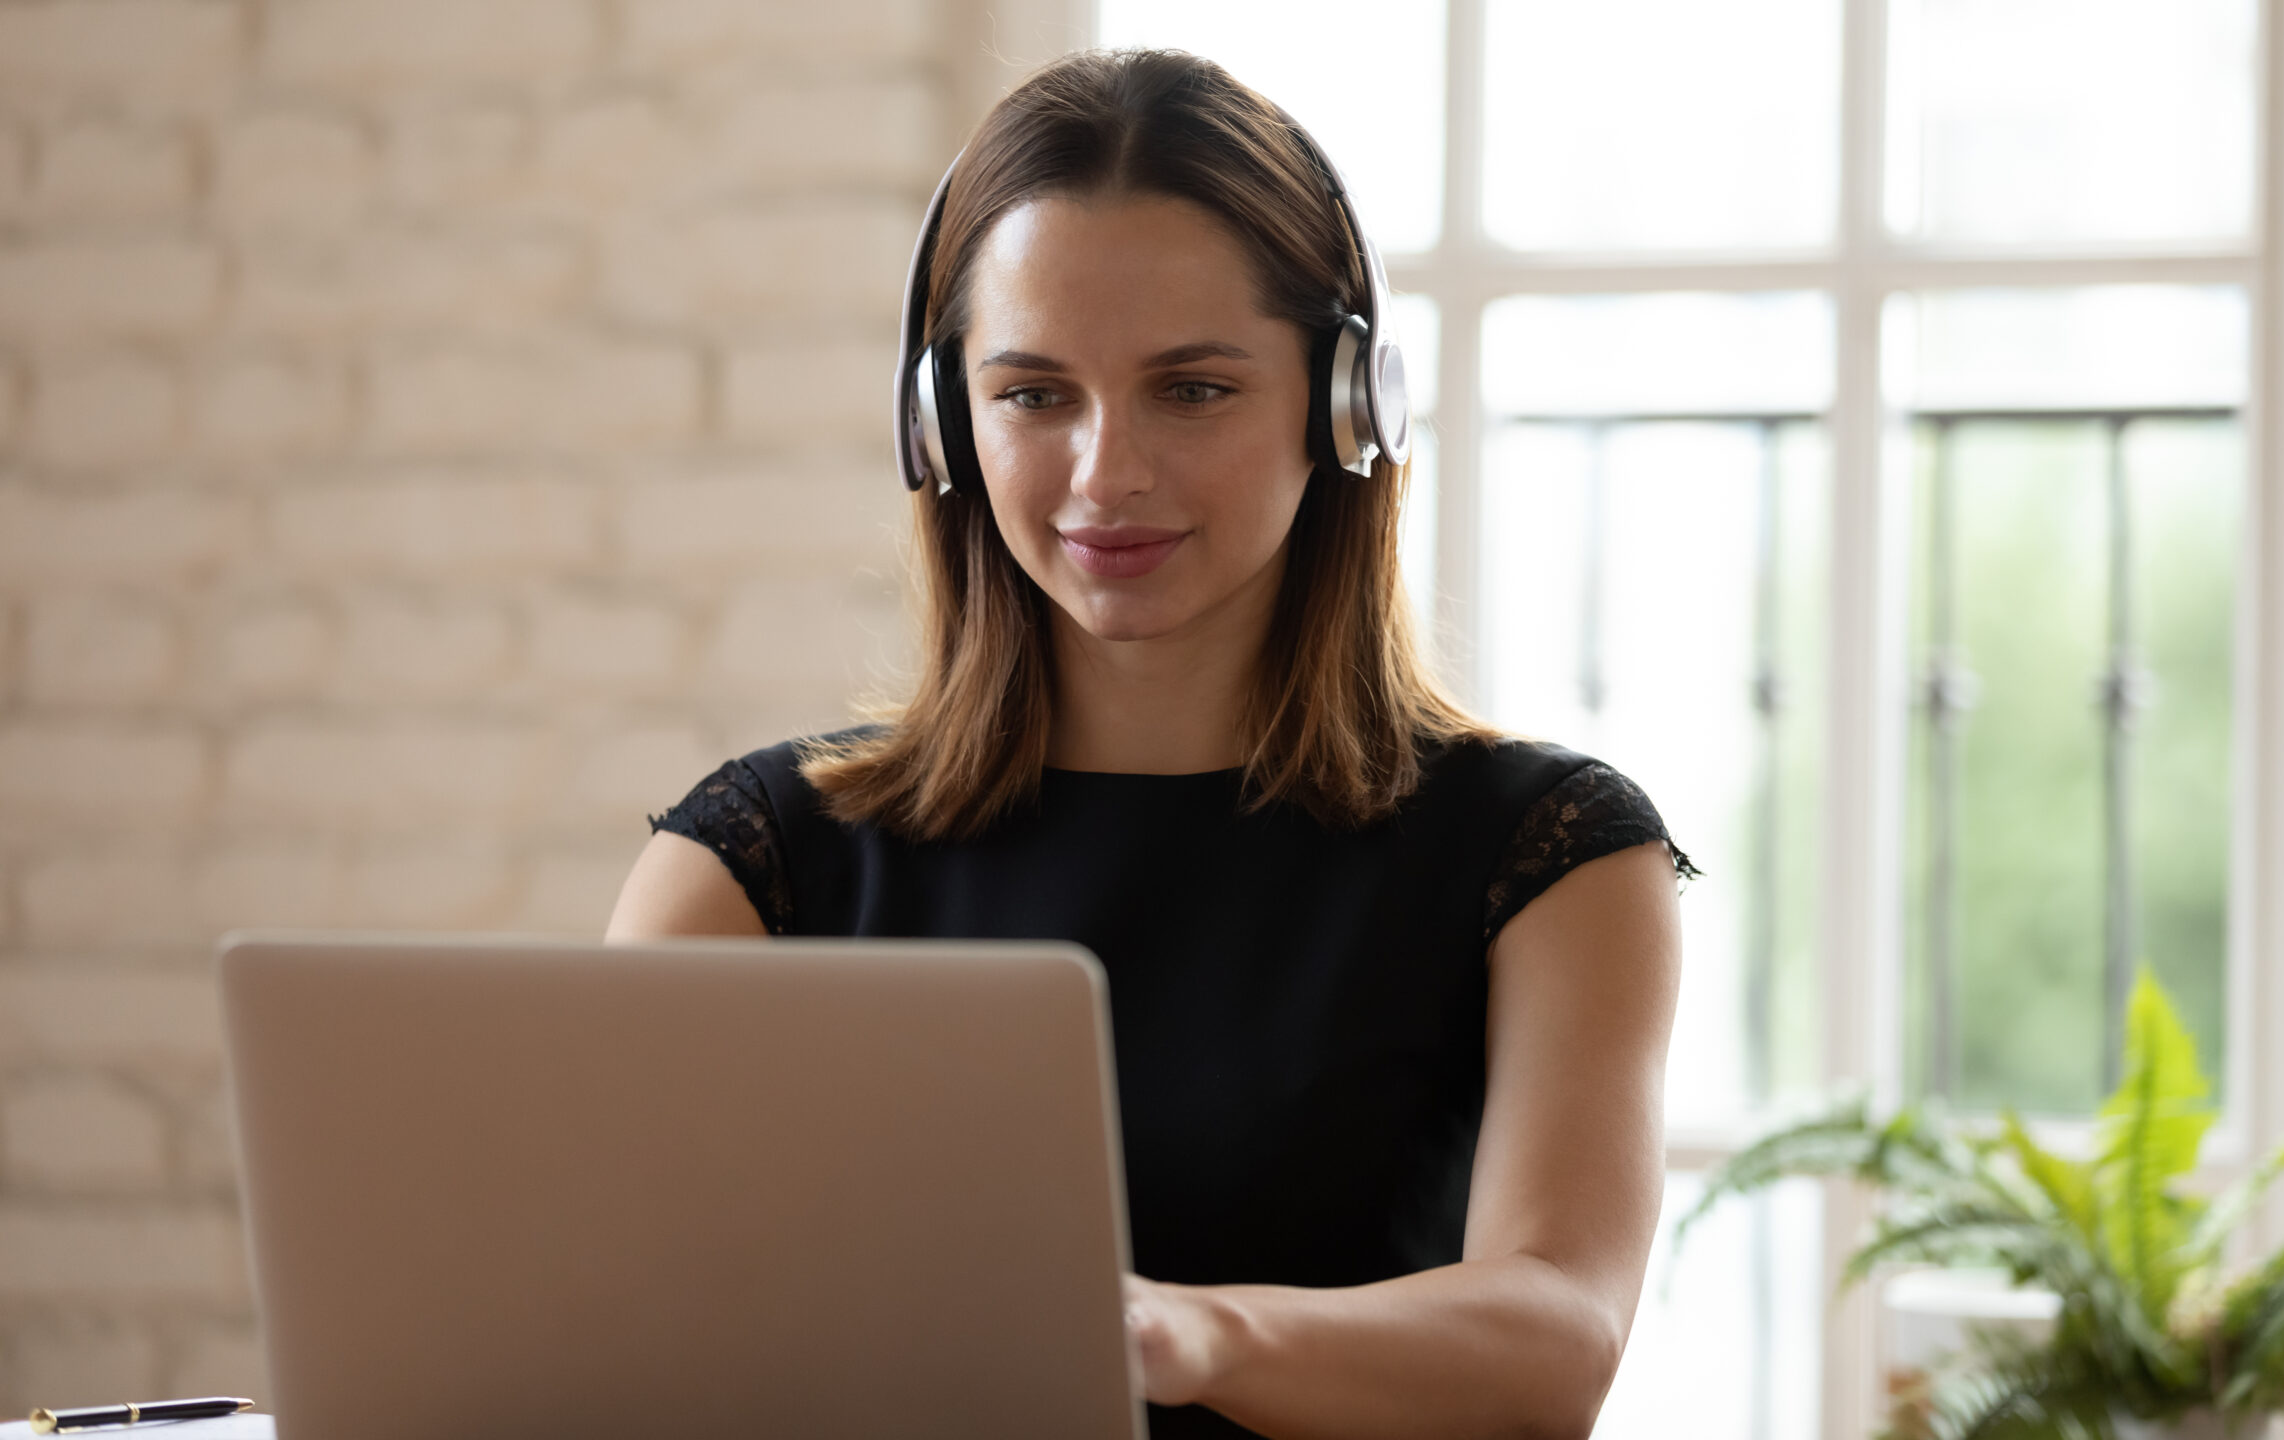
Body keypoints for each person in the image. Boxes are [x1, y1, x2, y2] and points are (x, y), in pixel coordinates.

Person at [607, 48, 1688, 1440]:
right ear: (944, 428)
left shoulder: (1551, 858)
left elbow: (1555, 1340)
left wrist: (1183, 1330)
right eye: (1034, 394)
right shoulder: (749, 867)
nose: (1106, 472)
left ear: (1346, 405)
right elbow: (606, 1327)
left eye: (1193, 389)